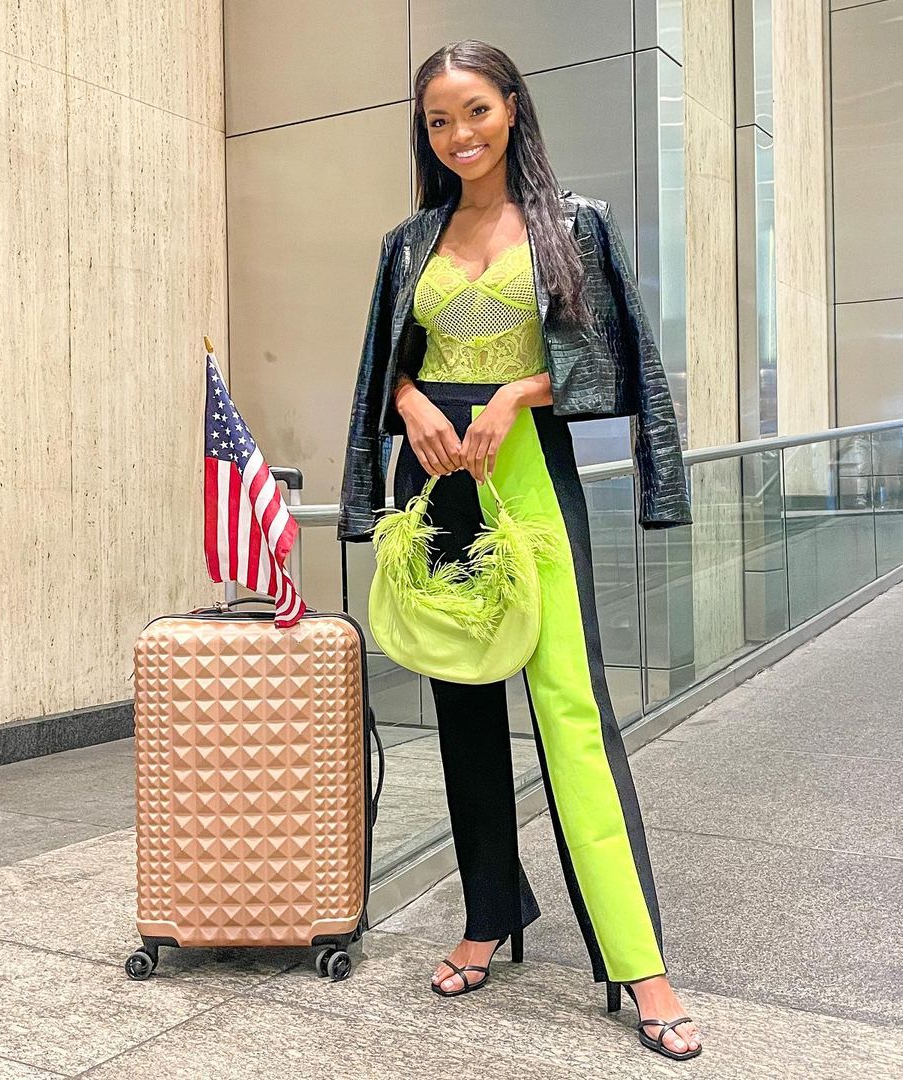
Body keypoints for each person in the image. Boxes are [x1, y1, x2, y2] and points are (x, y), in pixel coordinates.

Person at [339, 39, 701, 1062]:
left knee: (571, 710)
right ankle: (490, 915)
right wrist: (411, 400)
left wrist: (515, 392)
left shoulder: (573, 224)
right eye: (438, 121)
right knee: (462, 704)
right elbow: (384, 364)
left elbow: (613, 358)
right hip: (435, 475)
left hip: (528, 468)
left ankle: (639, 961)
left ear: (511, 109)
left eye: (475, 112)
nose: (459, 135)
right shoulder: (409, 240)